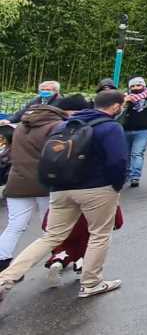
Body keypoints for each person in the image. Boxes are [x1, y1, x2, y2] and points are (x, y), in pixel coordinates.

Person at [0, 89, 128, 304]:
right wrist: (116, 185)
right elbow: (118, 160)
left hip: (60, 188)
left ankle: (5, 279)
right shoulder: (110, 127)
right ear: (116, 106)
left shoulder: (63, 125)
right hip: (97, 188)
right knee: (99, 234)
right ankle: (91, 282)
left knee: (51, 236)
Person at [0, 95, 86, 271]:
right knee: (53, 227)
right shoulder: (58, 126)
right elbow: (60, 155)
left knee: (15, 225)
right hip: (46, 183)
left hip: (17, 182)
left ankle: (2, 259)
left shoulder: (21, 126)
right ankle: (61, 255)